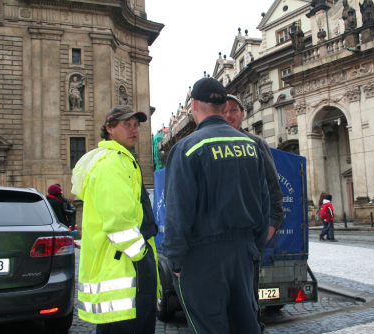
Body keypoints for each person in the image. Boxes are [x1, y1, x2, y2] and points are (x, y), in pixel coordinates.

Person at [162, 78, 270, 334]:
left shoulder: (187, 148)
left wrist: (175, 262)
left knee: (208, 327)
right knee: (246, 325)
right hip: (243, 252)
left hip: (203, 256)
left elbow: (178, 211)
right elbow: (264, 201)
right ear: (223, 107)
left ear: (195, 105)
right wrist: (254, 246)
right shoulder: (251, 146)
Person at [71, 105, 159, 334]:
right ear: (109, 128)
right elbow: (119, 222)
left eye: (137, 125)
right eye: (126, 124)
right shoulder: (112, 164)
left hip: (123, 266)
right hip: (125, 266)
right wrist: (143, 256)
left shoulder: (121, 160)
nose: (134, 130)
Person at [224, 94, 284, 331]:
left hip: (248, 240)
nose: (229, 115)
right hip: (217, 241)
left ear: (242, 114)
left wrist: (267, 230)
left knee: (247, 302)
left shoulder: (256, 144)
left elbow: (273, 191)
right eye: (224, 110)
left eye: (234, 110)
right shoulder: (210, 143)